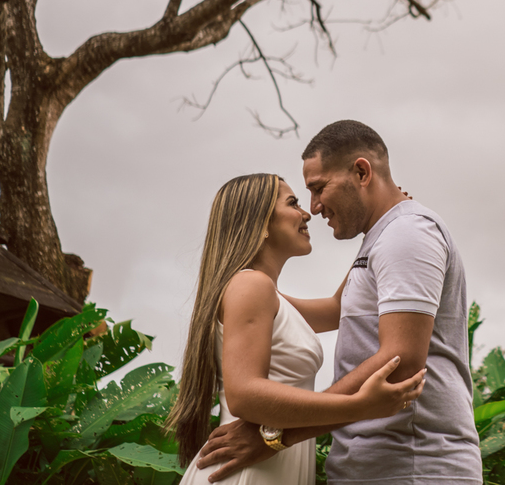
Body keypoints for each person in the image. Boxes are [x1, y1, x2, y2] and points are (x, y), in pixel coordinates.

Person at [198, 120, 483, 485]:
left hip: (413, 465)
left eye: (318, 189)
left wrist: (276, 436)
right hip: (374, 466)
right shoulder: (385, 237)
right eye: (301, 198)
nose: (313, 208)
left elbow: (401, 362)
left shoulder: (406, 233)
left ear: (362, 172)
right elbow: (332, 309)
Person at [169, 173, 426, 485]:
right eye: (293, 203)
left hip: (265, 466)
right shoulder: (251, 286)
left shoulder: (264, 295)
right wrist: (358, 405)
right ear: (259, 223)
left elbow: (339, 307)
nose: (307, 214)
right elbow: (244, 395)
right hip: (246, 473)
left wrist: (383, 225)